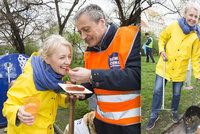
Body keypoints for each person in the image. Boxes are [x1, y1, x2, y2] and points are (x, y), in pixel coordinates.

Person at [68, 4, 141, 134]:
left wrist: (92, 75)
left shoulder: (130, 37)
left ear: (102, 22)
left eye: (86, 29)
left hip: (131, 125)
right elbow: (93, 84)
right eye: (80, 32)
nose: (83, 36)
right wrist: (80, 92)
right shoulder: (90, 52)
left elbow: (136, 76)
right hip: (103, 124)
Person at [3, 35, 80, 133]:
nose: (68, 62)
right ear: (47, 58)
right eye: (62, 57)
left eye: (69, 56)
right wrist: (18, 113)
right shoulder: (29, 79)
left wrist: (68, 99)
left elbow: (52, 97)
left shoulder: (51, 77)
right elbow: (8, 106)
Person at [146, 2, 200, 131]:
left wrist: (198, 74)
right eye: (191, 15)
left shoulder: (196, 36)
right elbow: (162, 38)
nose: (193, 18)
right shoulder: (174, 25)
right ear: (185, 15)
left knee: (176, 94)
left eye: (196, 16)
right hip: (164, 66)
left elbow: (196, 57)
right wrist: (161, 51)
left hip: (180, 71)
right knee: (157, 91)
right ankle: (154, 115)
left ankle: (174, 112)